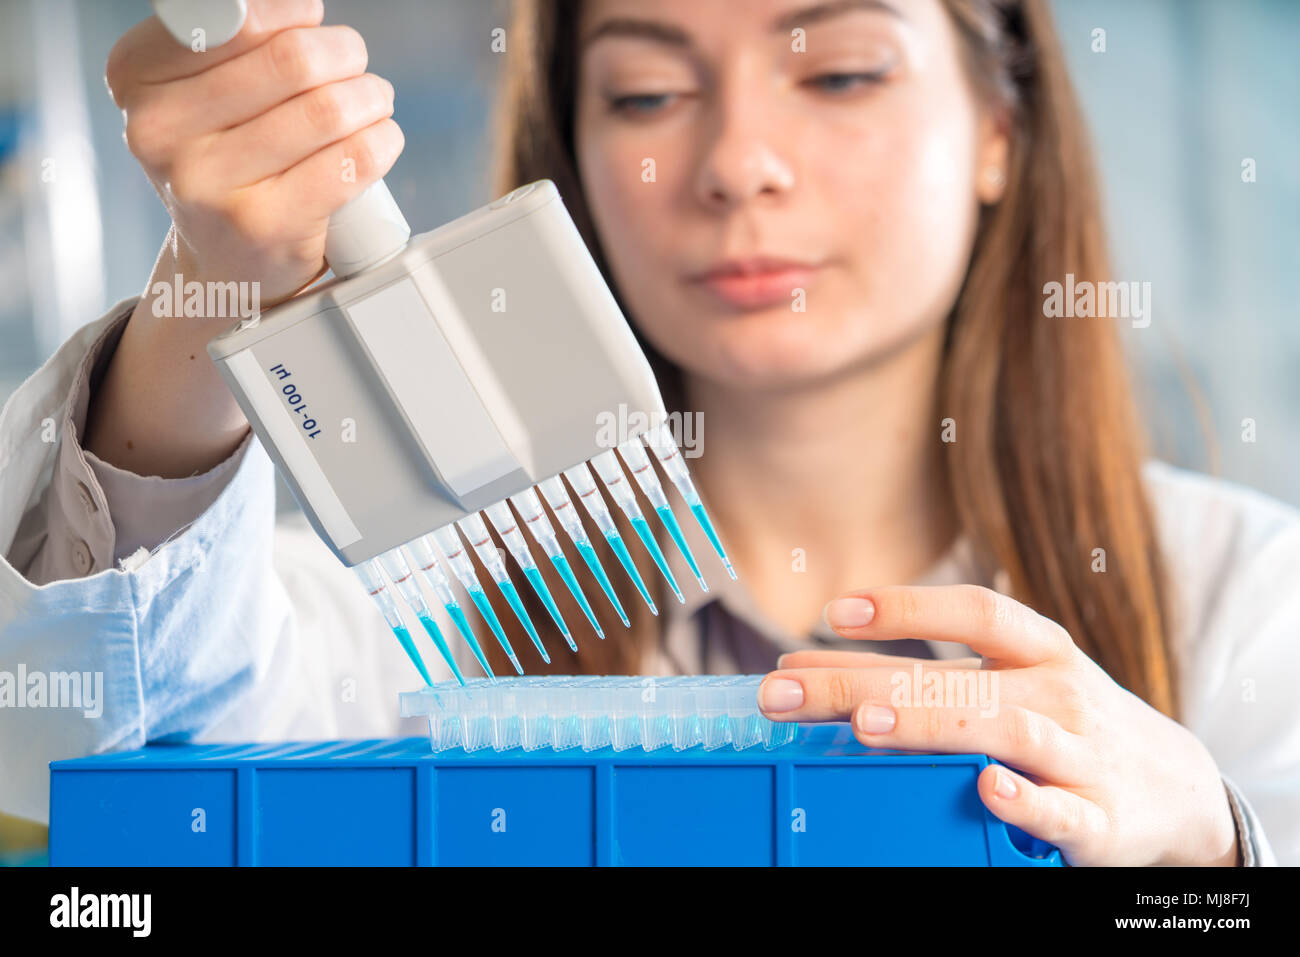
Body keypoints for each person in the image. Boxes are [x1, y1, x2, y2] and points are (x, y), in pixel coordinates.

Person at [0, 0, 1295, 866]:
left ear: (999, 132)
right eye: (646, 93)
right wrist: (211, 287)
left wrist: (1214, 849)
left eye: (838, 71)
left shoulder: (1248, 605)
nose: (738, 160)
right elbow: (77, 753)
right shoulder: (384, 619)